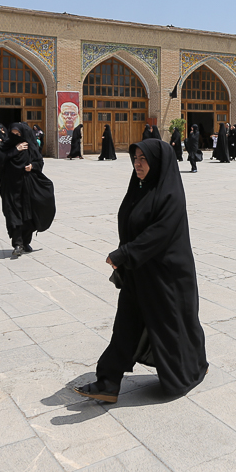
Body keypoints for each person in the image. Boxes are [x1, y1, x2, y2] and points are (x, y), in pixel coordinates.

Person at [73, 139, 208, 403]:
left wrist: (124, 254)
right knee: (125, 325)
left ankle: (191, 369)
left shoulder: (170, 195)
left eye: (144, 159)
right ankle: (108, 382)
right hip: (139, 272)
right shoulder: (138, 189)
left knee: (174, 328)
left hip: (166, 277)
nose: (138, 164)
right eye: (135, 158)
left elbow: (159, 233)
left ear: (157, 162)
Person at [0, 123, 57, 258]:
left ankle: (25, 242)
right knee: (13, 215)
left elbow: (39, 162)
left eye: (18, 134)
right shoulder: (7, 146)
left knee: (29, 215)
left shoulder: (31, 147)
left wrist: (32, 166)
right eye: (13, 134)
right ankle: (17, 244)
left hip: (28, 186)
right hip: (11, 187)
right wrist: (15, 150)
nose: (15, 137)